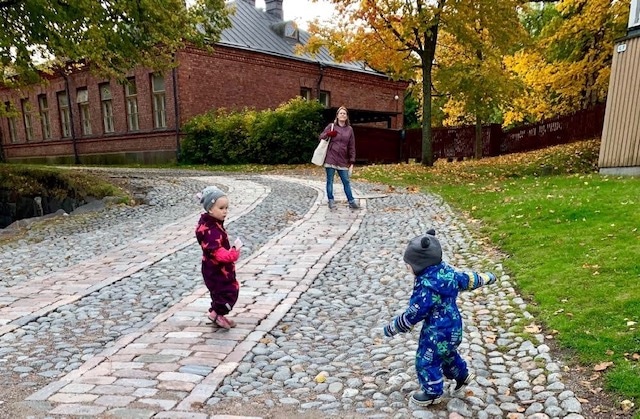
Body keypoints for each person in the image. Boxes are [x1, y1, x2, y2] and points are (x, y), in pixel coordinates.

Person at [383, 229, 497, 407]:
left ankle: (432, 392)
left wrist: (394, 326)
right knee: (448, 354)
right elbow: (468, 279)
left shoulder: (426, 287)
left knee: (426, 360)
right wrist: (487, 277)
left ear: (421, 264)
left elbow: (415, 313)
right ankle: (462, 375)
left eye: (409, 265)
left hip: (436, 331)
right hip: (454, 326)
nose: (408, 268)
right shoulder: (449, 273)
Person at [195, 186, 243, 329]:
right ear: (210, 209)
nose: (225, 211)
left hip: (217, 269)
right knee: (228, 291)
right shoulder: (210, 229)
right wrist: (232, 254)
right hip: (216, 269)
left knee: (220, 291)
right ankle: (217, 313)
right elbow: (216, 251)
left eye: (226, 208)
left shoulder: (213, 224)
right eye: (221, 208)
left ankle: (218, 314)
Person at [319, 106, 360, 210]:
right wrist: (328, 134)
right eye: (341, 113)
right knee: (330, 180)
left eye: (344, 114)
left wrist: (352, 159)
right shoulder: (331, 126)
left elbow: (351, 145)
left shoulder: (349, 129)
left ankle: (351, 201)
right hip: (331, 157)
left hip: (343, 159)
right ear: (337, 115)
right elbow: (321, 136)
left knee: (346, 181)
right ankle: (331, 201)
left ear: (346, 117)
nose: (342, 115)